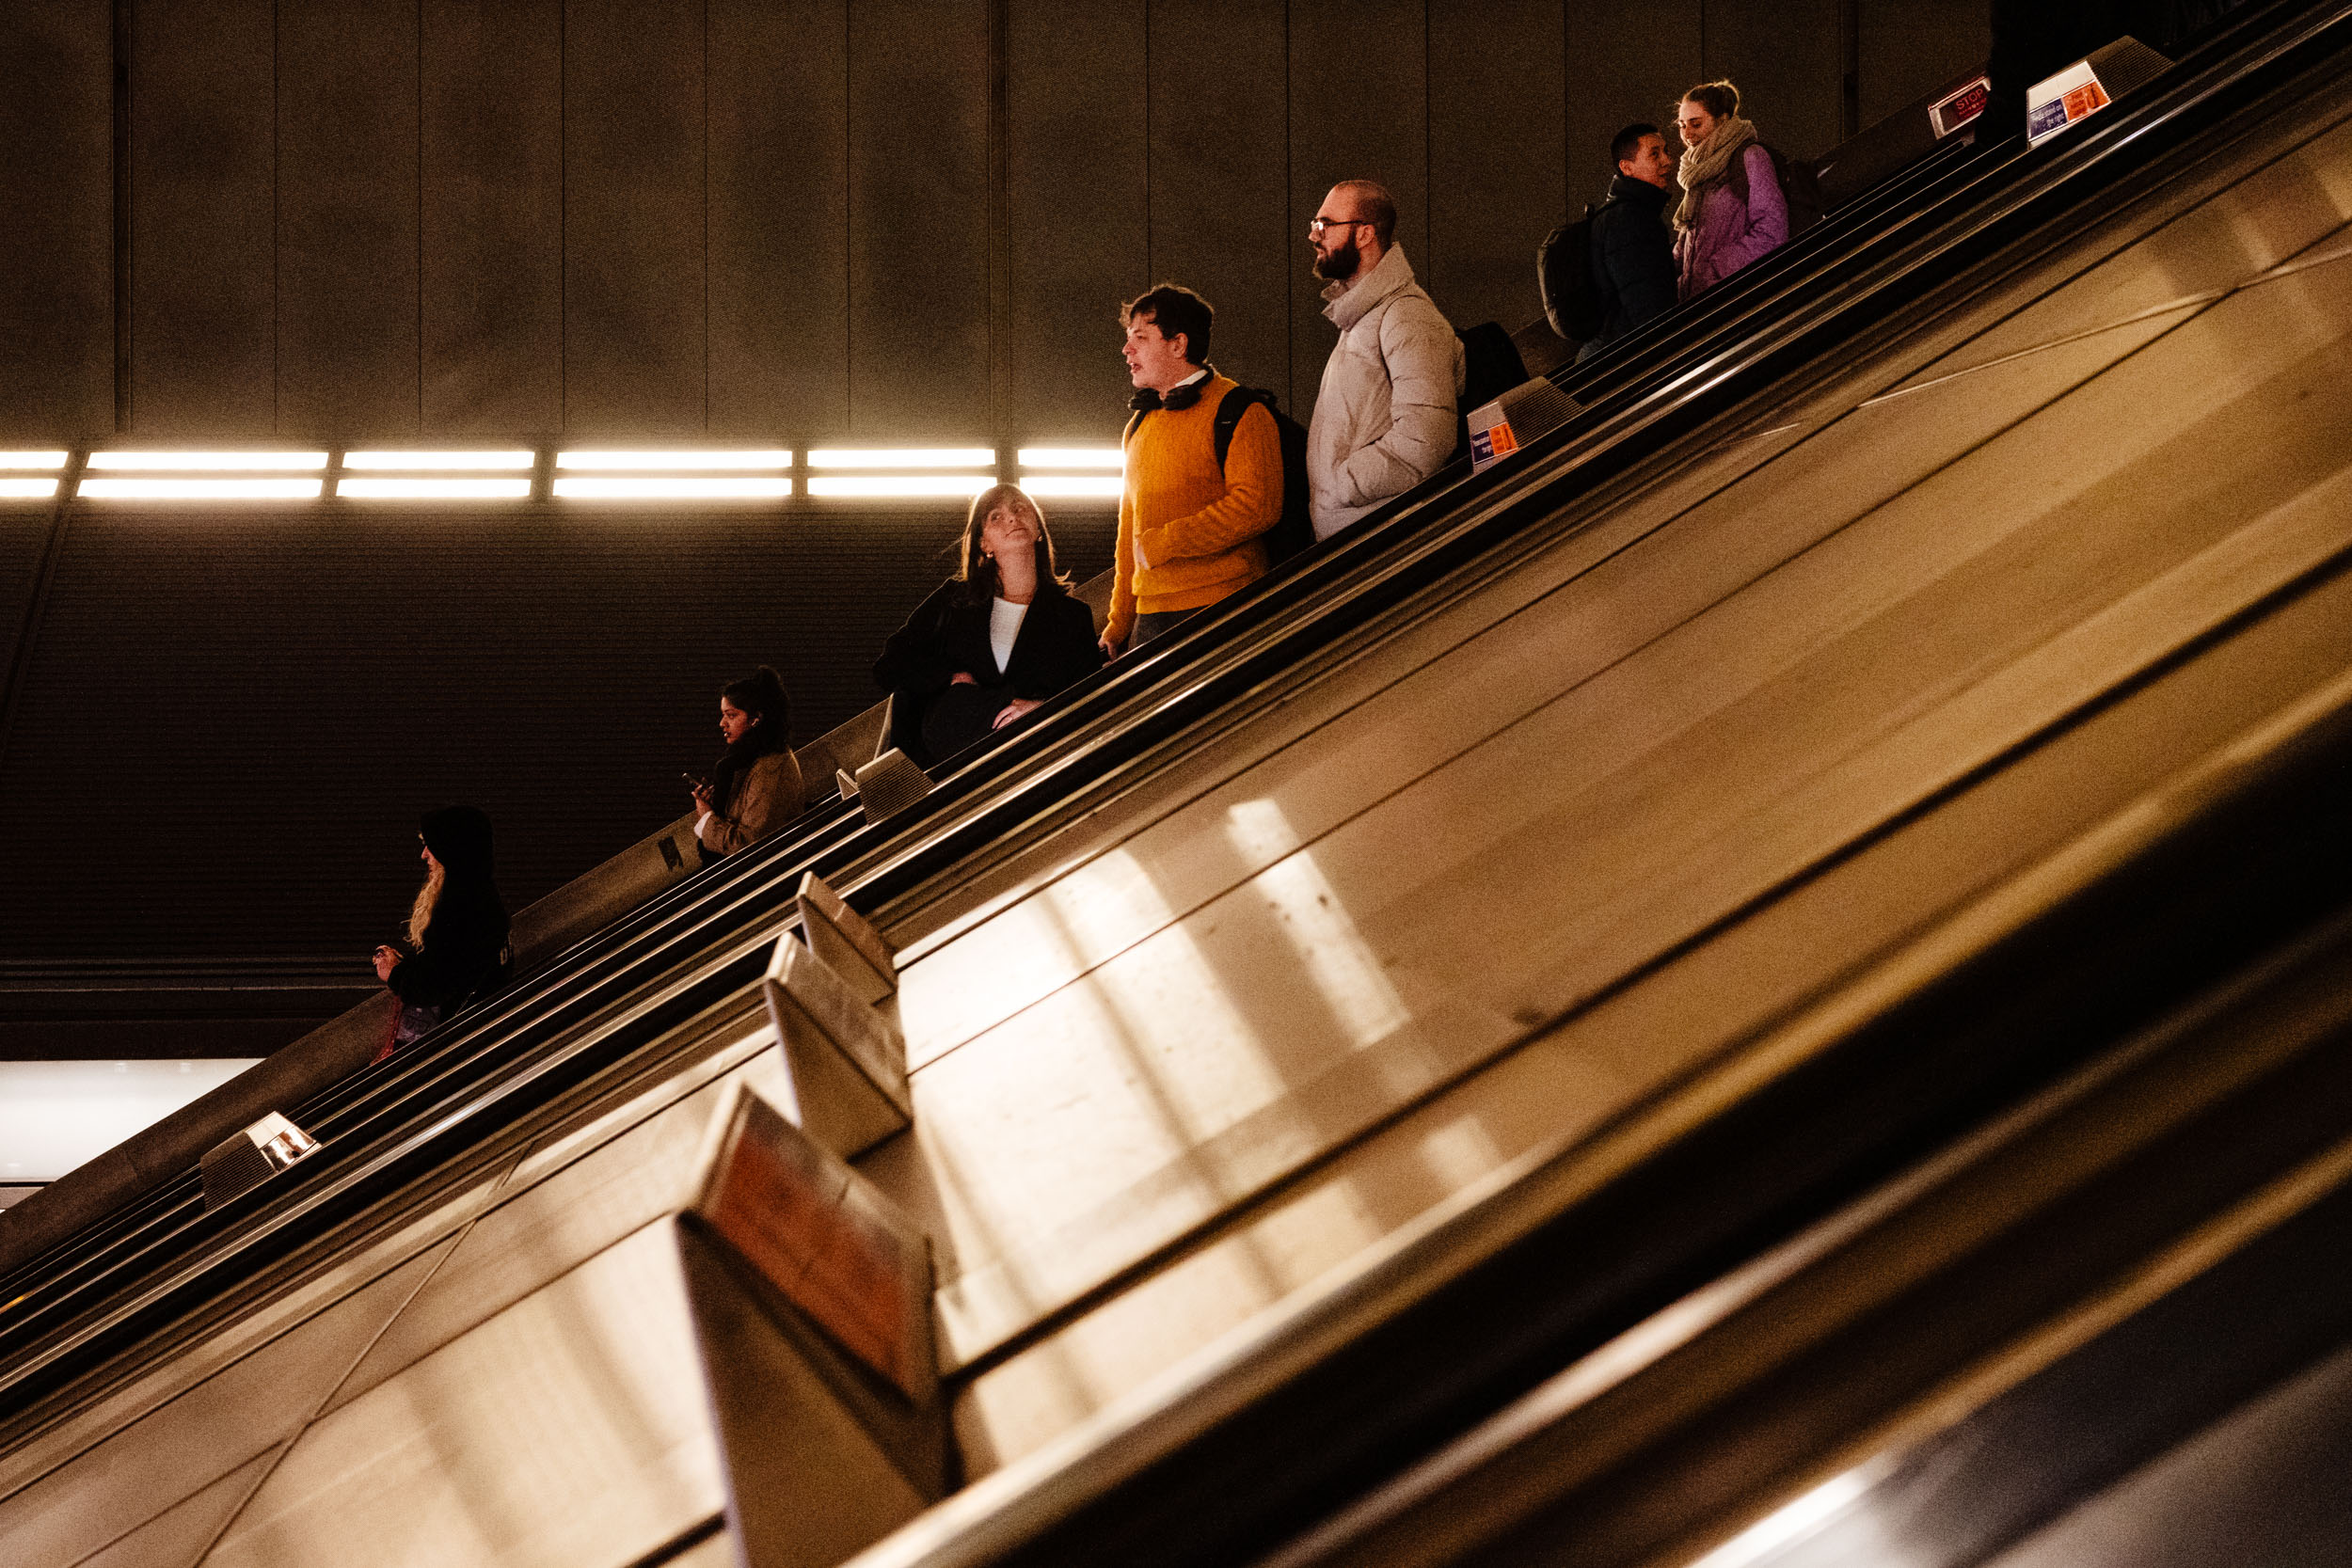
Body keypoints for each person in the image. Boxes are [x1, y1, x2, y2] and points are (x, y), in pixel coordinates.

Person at [1101, 284, 1285, 657]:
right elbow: (1128, 532)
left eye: (1140, 337)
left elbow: (1258, 505)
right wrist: (1119, 621)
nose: (1127, 350)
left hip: (1223, 602)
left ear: (1178, 345)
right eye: (1127, 338)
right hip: (1150, 615)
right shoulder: (1138, 425)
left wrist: (1166, 543)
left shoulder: (1240, 410)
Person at [874, 483, 1104, 764]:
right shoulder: (954, 601)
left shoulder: (1071, 616)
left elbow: (1093, 693)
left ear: (1038, 530)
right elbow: (889, 665)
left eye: (1020, 509)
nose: (1012, 517)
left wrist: (1042, 709)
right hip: (949, 763)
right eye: (996, 516)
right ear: (984, 544)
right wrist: (950, 677)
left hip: (1030, 760)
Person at [1304, 180, 1465, 543]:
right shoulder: (1362, 317)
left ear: (1364, 235)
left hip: (1379, 542)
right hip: (1355, 537)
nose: (1315, 237)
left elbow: (1426, 440)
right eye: (1315, 225)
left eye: (1325, 225)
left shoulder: (1406, 316)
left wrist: (1341, 485)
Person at [370, 805, 510, 1064]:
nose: (424, 855)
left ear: (451, 849)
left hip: (454, 1050)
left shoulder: (461, 907)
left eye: (430, 845)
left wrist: (395, 974)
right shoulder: (480, 897)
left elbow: (437, 983)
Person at [1671, 81, 1788, 301]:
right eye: (1681, 125)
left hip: (1734, 296)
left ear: (1722, 121)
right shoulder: (1698, 170)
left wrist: (1713, 271)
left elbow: (1772, 233)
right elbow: (1690, 237)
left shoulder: (1750, 157)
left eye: (1695, 124)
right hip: (1699, 299)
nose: (1687, 134)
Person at [1579, 123, 1681, 360]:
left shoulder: (1619, 214)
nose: (1667, 161)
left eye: (1665, 151)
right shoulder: (1630, 220)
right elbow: (1649, 309)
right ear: (1627, 168)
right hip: (1619, 360)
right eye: (1654, 154)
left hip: (1607, 353)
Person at [691, 666, 803, 857]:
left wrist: (707, 816)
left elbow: (748, 844)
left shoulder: (769, 768)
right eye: (723, 714)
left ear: (755, 719)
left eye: (731, 715)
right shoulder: (751, 760)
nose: (722, 723)